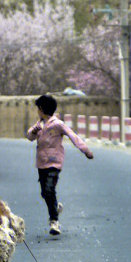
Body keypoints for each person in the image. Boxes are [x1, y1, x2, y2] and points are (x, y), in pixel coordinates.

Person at [26, 95, 93, 235]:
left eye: (38, 109)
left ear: (41, 109)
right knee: (45, 192)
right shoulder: (39, 124)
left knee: (49, 189)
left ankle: (54, 221)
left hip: (54, 163)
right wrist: (33, 131)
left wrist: (85, 150)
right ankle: (55, 207)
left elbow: (73, 136)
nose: (37, 112)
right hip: (41, 163)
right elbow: (30, 138)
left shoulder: (57, 124)